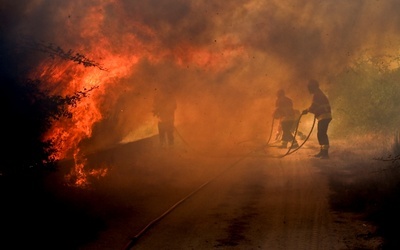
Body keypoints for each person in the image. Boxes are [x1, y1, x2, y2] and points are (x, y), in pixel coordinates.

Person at [302, 79, 332, 159]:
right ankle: (322, 152)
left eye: (309, 87)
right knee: (320, 134)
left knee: (322, 134)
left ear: (312, 87)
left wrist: (306, 110)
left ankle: (325, 154)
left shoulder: (317, 95)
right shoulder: (319, 93)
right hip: (324, 116)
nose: (309, 89)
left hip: (324, 116)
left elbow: (313, 107)